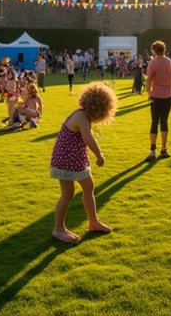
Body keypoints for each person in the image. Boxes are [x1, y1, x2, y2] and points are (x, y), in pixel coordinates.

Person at [50, 81, 117, 243]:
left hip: (76, 159)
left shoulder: (84, 116)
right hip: (66, 160)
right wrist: (99, 154)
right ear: (99, 109)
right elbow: (88, 138)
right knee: (67, 193)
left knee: (89, 187)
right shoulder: (81, 117)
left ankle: (93, 222)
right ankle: (58, 229)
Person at [145, 40, 171, 161]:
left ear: (154, 50)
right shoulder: (169, 61)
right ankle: (164, 148)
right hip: (168, 95)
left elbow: (149, 79)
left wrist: (148, 92)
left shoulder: (153, 62)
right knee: (164, 121)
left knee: (154, 122)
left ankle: (152, 150)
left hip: (156, 95)